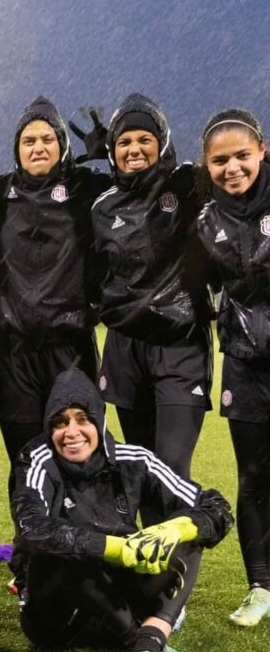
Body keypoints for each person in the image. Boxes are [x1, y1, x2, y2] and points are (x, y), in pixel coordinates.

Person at [13, 369, 233, 652]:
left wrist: (173, 528)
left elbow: (215, 507)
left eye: (82, 419)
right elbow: (32, 527)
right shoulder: (37, 459)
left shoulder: (134, 459)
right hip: (58, 620)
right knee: (62, 544)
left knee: (191, 532)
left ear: (99, 421)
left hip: (120, 601)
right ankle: (154, 650)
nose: (71, 432)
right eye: (59, 422)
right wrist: (115, 548)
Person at [0, 96, 110, 490]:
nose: (38, 147)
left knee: (79, 455)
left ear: (63, 146)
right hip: (16, 350)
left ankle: (81, 544)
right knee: (25, 460)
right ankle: (31, 546)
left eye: (48, 139)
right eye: (29, 140)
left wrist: (115, 159)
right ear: (17, 150)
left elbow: (143, 186)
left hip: (70, 347)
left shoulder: (87, 188)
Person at [89, 93, 213, 485]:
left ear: (163, 141)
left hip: (180, 344)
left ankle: (181, 550)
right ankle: (155, 547)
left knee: (173, 468)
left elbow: (238, 169)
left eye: (144, 138)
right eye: (123, 142)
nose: (134, 149)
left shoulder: (189, 185)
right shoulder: (101, 206)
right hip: (126, 348)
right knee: (141, 470)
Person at [197, 109, 270, 626]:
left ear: (262, 151)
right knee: (254, 477)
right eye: (220, 161)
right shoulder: (205, 220)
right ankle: (261, 587)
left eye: (242, 156)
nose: (233, 168)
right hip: (244, 362)